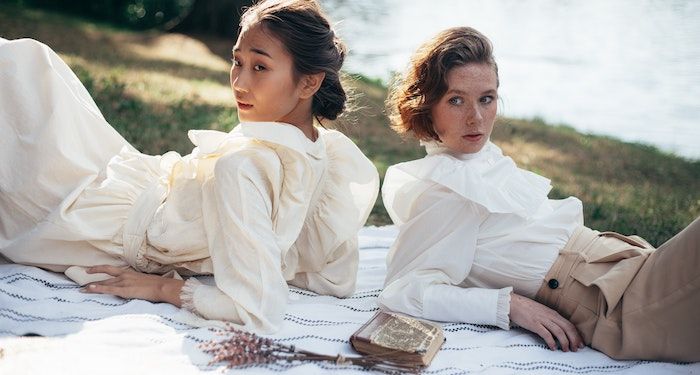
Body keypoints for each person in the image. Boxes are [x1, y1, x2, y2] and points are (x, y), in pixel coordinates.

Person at [0, 0, 379, 333]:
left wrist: (162, 287)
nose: (239, 82)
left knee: (15, 74)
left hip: (95, 220)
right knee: (30, 64)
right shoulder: (326, 149)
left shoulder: (242, 167)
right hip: (135, 181)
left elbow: (257, 306)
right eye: (237, 61)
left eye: (260, 67)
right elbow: (334, 277)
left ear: (309, 82)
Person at [378, 26, 699, 362]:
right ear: (427, 106)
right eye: (456, 100)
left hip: (634, 268)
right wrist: (510, 305)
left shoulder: (479, 161)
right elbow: (402, 292)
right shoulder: (447, 189)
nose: (476, 118)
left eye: (486, 99)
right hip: (625, 307)